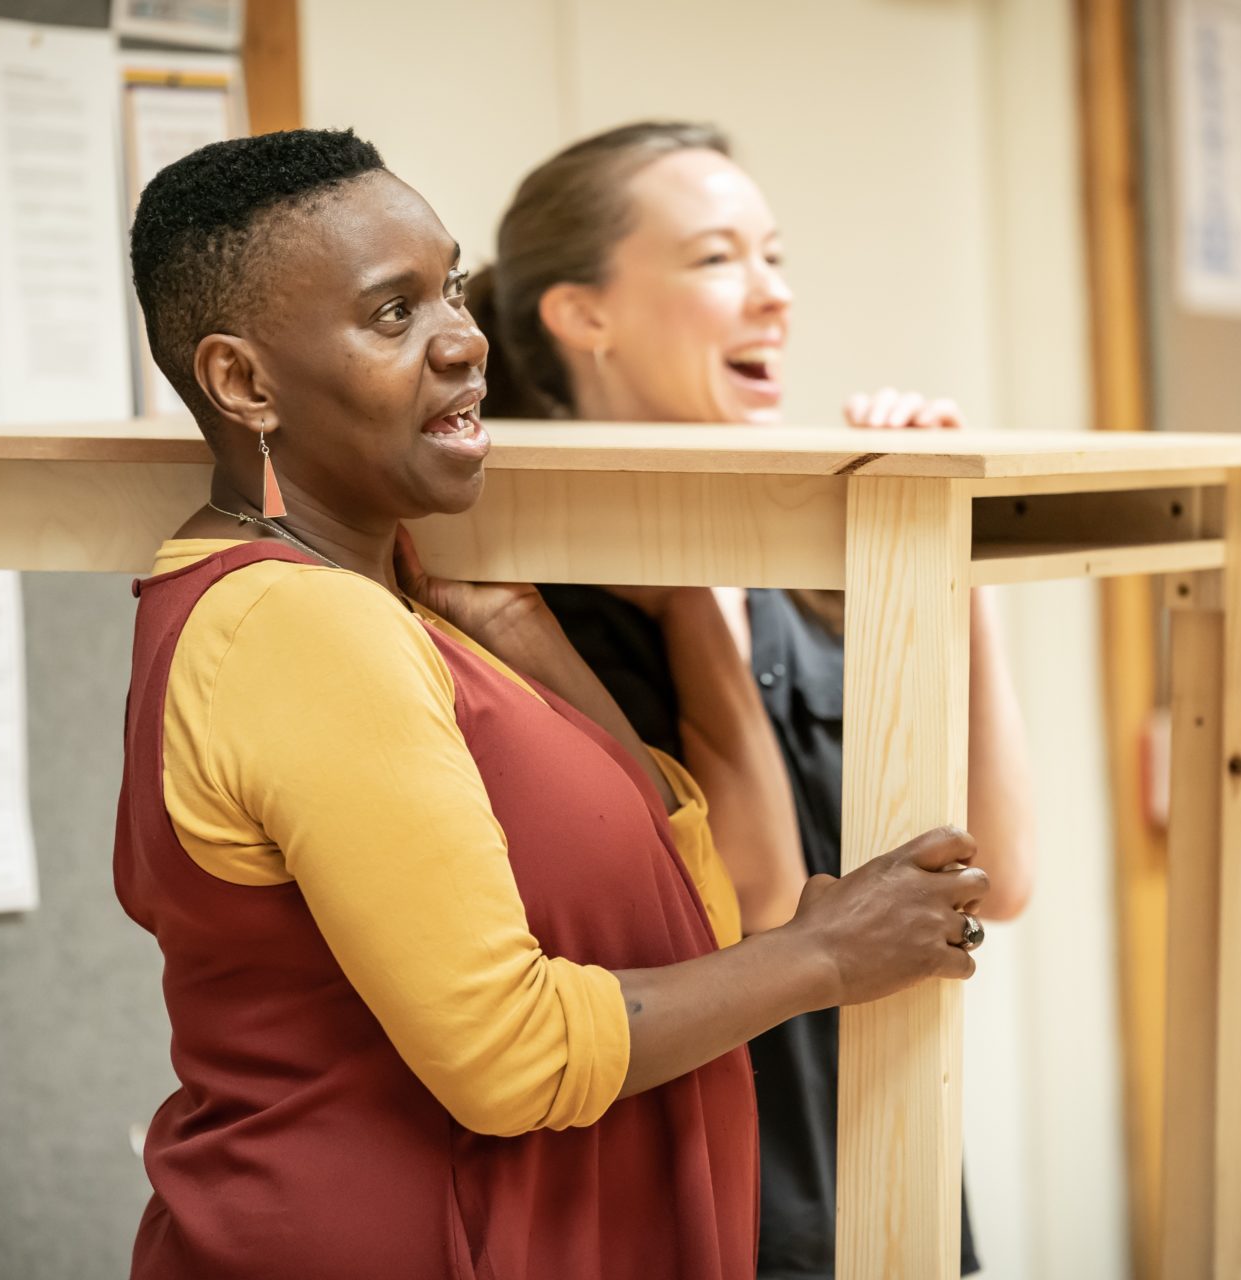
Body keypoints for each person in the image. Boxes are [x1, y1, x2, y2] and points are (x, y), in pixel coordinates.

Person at [118, 127, 992, 1280]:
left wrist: (521, 632)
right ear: (242, 380)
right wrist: (826, 954)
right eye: (395, 314)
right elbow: (510, 1053)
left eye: (455, 288)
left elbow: (677, 885)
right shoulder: (294, 624)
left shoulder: (393, 603)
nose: (464, 340)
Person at [470, 121, 1038, 1279]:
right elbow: (760, 899)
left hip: (899, 1200)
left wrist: (945, 545)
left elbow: (1002, 873)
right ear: (584, 315)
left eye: (775, 256)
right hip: (708, 1225)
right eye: (719, 258)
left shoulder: (816, 568)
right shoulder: (523, 611)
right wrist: (690, 591)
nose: (773, 297)